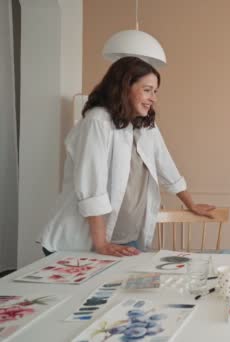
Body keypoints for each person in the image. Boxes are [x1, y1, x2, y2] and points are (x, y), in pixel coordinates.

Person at [40, 57, 215, 257]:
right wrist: (101, 244)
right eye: (147, 90)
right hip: (84, 242)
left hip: (126, 237)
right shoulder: (97, 122)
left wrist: (190, 203)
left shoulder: (146, 126)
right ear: (124, 87)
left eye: (155, 91)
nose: (153, 98)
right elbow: (91, 186)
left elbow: (166, 166)